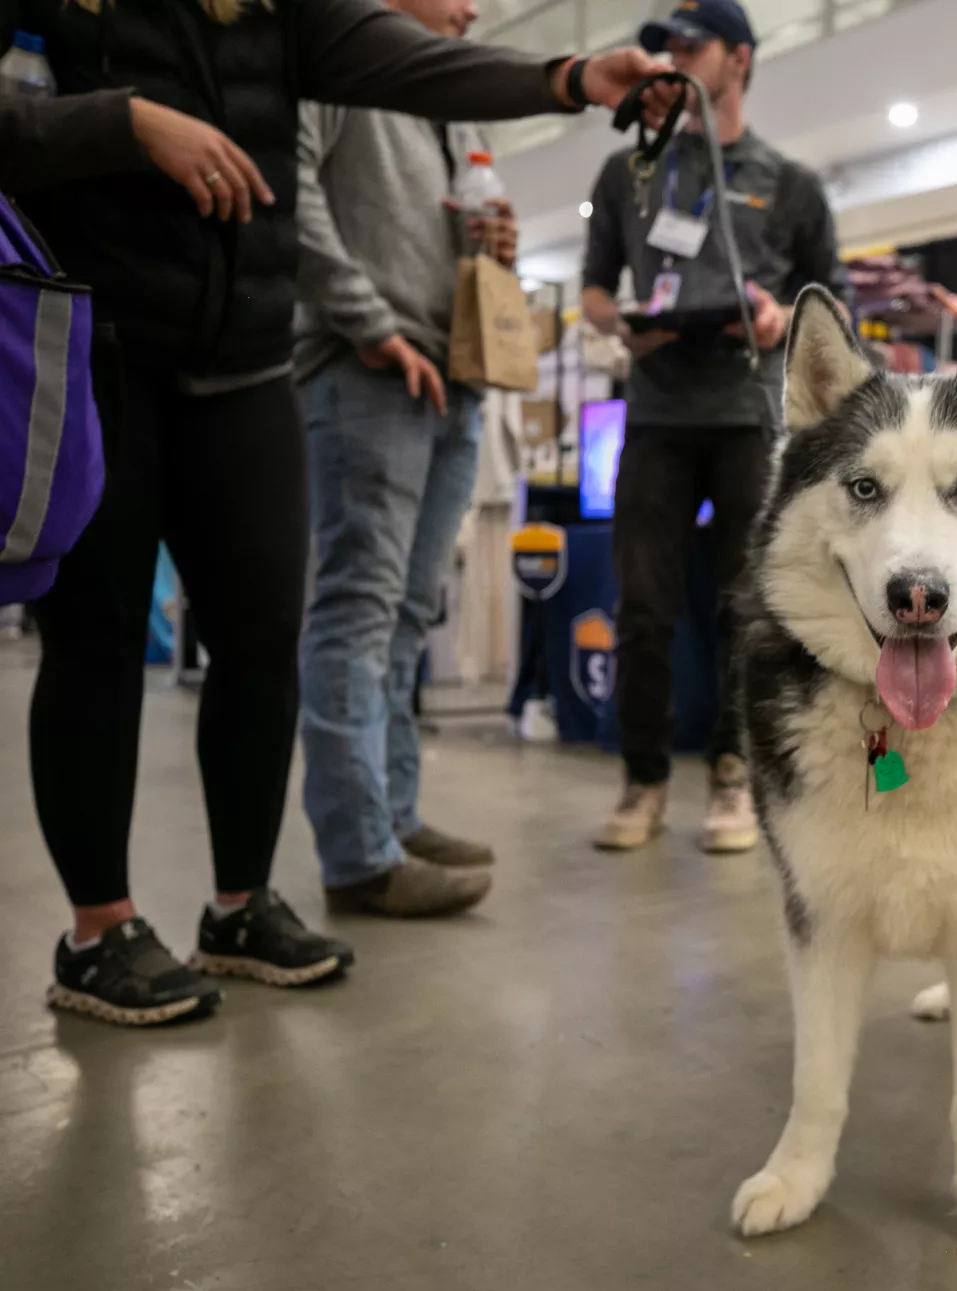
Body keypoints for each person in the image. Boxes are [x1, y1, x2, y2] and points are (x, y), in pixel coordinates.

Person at [2, 0, 675, 1025]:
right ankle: (98, 929)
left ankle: (239, 906)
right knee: (94, 646)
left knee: (264, 642)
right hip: (103, 351)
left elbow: (412, 66)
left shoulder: (279, 8)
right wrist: (125, 121)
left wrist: (569, 78)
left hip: (246, 367)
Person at [579, 0, 840, 854]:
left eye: (691, 46)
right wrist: (621, 325)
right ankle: (643, 780)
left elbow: (825, 304)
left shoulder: (790, 182)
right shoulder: (629, 174)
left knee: (747, 606)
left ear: (740, 58)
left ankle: (735, 776)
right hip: (654, 415)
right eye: (665, 48)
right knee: (644, 607)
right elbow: (592, 287)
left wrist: (779, 320)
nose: (674, 59)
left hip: (745, 417)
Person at [293, 0, 514, 918]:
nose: (471, 9)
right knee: (358, 606)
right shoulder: (335, 63)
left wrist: (493, 238)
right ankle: (358, 853)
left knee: (409, 611)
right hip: (367, 370)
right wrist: (372, 324)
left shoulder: (450, 103)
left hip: (453, 375)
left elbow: (467, 209)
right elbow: (290, 187)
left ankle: (394, 814)